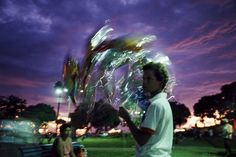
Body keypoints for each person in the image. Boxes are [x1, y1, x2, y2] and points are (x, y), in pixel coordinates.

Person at [119, 62, 173, 157]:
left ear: (160, 82)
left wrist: (127, 119)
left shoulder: (156, 105)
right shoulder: (163, 103)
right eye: (143, 78)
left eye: (149, 79)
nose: (144, 82)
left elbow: (142, 140)